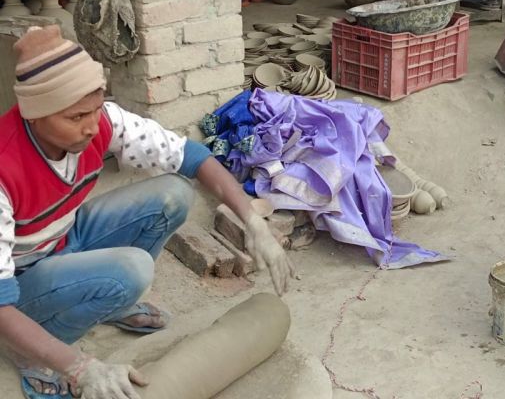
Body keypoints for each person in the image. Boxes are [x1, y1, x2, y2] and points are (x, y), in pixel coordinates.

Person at [0, 26, 295, 399]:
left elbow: (192, 157)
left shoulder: (102, 121)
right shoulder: (4, 167)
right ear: (34, 115)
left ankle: (111, 302)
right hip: (21, 281)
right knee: (131, 270)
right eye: (75, 118)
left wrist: (253, 222)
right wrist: (79, 366)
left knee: (173, 193)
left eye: (95, 109)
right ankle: (32, 355)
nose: (91, 127)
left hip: (60, 239)